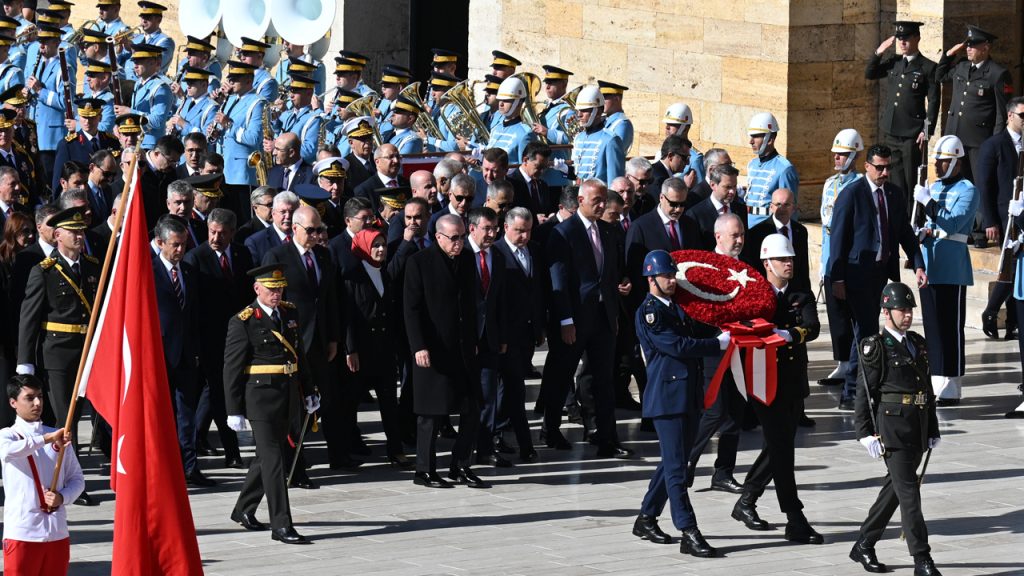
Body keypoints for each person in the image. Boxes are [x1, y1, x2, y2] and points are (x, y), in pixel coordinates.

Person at [633, 249, 727, 558]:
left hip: (686, 396)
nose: (672, 281)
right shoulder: (650, 312)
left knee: (674, 461)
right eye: (666, 276)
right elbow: (675, 345)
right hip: (667, 399)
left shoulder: (676, 307)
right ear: (651, 279)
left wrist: (726, 325)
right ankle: (688, 530)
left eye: (673, 275)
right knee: (677, 469)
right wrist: (716, 345)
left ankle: (646, 518)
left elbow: (697, 329)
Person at [731, 234, 823, 545]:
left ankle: (747, 501)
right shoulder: (753, 293)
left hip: (793, 381)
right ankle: (795, 518)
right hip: (763, 380)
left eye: (791, 259)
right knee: (783, 447)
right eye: (783, 260)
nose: (789, 264)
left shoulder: (801, 294)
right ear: (767, 263)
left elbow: (812, 327)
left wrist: (789, 334)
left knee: (779, 444)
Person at [851, 282, 942, 576]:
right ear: (886, 313)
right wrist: (864, 432)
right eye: (902, 310)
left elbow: (926, 389)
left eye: (909, 309)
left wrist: (934, 427)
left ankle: (864, 542)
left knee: (895, 491)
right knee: (910, 497)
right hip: (892, 428)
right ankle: (922, 559)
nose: (907, 315)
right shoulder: (876, 346)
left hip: (917, 425)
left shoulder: (917, 342)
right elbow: (865, 393)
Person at [224, 263, 318, 545]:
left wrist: (309, 390)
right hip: (260, 400)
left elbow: (299, 353)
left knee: (267, 459)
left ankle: (243, 509)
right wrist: (233, 409)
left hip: (287, 395)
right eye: (270, 289)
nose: (276, 294)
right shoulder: (243, 321)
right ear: (257, 289)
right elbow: (232, 368)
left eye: (279, 288)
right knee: (275, 461)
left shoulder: (289, 313)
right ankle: (282, 525)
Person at [829, 144, 927, 411]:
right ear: (867, 166)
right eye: (879, 167)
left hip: (881, 273)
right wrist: (836, 278)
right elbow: (838, 238)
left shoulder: (893, 194)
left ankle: (861, 388)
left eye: (888, 167)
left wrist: (918, 264)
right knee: (866, 330)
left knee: (867, 331)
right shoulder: (852, 195)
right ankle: (852, 391)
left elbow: (905, 232)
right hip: (856, 273)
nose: (885, 173)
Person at [541, 179, 632, 458]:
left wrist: (613, 313)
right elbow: (559, 279)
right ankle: (551, 429)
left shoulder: (608, 230)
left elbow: (609, 275)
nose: (603, 206)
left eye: (605, 200)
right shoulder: (563, 233)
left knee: (603, 379)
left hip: (602, 317)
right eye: (597, 201)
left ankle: (606, 436)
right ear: (581, 200)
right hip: (575, 319)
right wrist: (566, 320)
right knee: (562, 374)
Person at [14, 205, 96, 505]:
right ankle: (69, 481)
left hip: (87, 351)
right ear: (57, 235)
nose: (78, 236)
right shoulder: (43, 271)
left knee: (89, 413)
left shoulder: (91, 266)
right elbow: (29, 318)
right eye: (73, 232)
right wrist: (26, 361)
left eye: (81, 231)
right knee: (66, 420)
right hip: (58, 354)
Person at [404, 214, 482, 488]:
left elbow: (470, 305)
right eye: (453, 238)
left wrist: (473, 339)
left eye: (462, 237)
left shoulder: (467, 260)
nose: (459, 243)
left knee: (472, 408)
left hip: (462, 348)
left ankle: (461, 465)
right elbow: (411, 309)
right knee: (431, 413)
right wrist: (418, 346)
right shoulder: (419, 263)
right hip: (433, 349)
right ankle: (424, 470)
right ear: (438, 237)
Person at [262, 205, 339, 482]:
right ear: (294, 228)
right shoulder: (278, 256)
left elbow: (329, 300)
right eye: (311, 230)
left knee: (316, 401)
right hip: (292, 341)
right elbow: (272, 301)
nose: (317, 235)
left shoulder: (324, 256)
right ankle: (295, 467)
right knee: (292, 408)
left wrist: (332, 337)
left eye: (320, 230)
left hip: (318, 341)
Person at [183, 205, 250, 469]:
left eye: (221, 233)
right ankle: (231, 450)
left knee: (218, 393)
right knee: (218, 394)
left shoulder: (243, 255)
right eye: (211, 232)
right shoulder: (195, 258)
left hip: (236, 338)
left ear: (232, 232)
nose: (215, 238)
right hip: (207, 340)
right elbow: (193, 305)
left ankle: (200, 436)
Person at [913, 135, 978, 406]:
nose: (937, 167)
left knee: (951, 326)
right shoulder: (934, 187)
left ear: (956, 162)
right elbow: (926, 221)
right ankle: (937, 376)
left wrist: (927, 202)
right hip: (930, 263)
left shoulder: (967, 189)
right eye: (937, 162)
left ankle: (952, 380)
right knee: (933, 326)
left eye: (942, 162)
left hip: (952, 265)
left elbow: (952, 223)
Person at [150, 215, 213, 486]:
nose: (180, 250)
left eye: (184, 244)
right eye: (175, 245)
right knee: (160, 418)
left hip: (186, 355)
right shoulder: (147, 272)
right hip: (159, 356)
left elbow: (196, 315)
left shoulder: (188, 271)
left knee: (186, 415)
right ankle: (162, 468)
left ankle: (189, 466)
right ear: (160, 242)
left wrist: (197, 350)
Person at [0, 374, 84, 574]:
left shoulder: (58, 436)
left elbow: (77, 479)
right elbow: (10, 450)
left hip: (57, 533)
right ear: (13, 403)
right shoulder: (7, 435)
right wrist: (47, 439)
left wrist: (63, 497)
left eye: (40, 397)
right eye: (29, 398)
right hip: (22, 534)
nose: (37, 403)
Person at [343, 227, 408, 467]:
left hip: (384, 350)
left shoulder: (386, 274)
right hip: (361, 351)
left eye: (383, 245)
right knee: (351, 403)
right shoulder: (351, 276)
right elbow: (348, 315)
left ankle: (396, 449)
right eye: (375, 245)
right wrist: (350, 349)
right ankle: (347, 448)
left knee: (390, 402)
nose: (381, 249)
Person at [865, 21, 940, 201]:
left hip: (911, 134)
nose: (902, 42)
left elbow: (934, 102)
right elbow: (870, 73)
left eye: (906, 38)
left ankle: (912, 221)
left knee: (911, 181)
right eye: (899, 39)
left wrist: (926, 131)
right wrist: (879, 52)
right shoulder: (895, 63)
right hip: (891, 131)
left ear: (917, 38)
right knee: (894, 180)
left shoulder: (928, 67)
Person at [819, 129, 863, 386]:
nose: (837, 159)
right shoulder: (829, 183)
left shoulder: (858, 185)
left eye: (843, 155)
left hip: (848, 255)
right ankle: (842, 361)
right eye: (835, 155)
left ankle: (855, 361)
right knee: (835, 314)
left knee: (850, 312)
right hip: (829, 255)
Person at [978, 97, 1024, 340]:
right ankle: (992, 310)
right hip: (1005, 217)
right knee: (1012, 268)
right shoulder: (994, 145)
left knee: (1020, 271)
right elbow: (985, 187)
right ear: (1010, 116)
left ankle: (1014, 320)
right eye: (1022, 116)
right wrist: (990, 221)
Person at [744, 188, 811, 295]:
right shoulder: (757, 233)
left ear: (793, 208)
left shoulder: (800, 231)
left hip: (795, 293)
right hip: (768, 292)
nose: (782, 209)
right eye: (778, 204)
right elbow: (755, 267)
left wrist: (806, 293)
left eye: (787, 205)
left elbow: (803, 266)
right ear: (771, 207)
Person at [744, 112, 799, 227]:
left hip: (769, 228)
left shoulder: (785, 168)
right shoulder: (752, 164)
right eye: (751, 136)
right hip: (747, 227)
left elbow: (789, 208)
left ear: (770, 139)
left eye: (756, 136)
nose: (751, 141)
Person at [117, 42, 172, 150]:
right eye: (134, 61)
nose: (135, 65)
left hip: (150, 145)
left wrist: (130, 112)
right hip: (135, 142)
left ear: (153, 62)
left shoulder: (161, 87)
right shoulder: (138, 83)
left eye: (140, 61)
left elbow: (158, 121)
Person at [685, 163, 747, 250]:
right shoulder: (695, 214)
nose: (732, 192)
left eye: (734, 186)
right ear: (713, 185)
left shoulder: (740, 210)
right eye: (728, 187)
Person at [571, 86, 624, 184]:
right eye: (578, 110)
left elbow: (615, 181)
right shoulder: (579, 138)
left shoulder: (610, 140)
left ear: (598, 112)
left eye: (584, 110)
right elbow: (577, 175)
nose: (579, 115)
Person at [598, 80, 632, 153]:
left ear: (617, 99)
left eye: (604, 98)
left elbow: (614, 151)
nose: (601, 102)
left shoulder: (622, 124)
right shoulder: (604, 119)